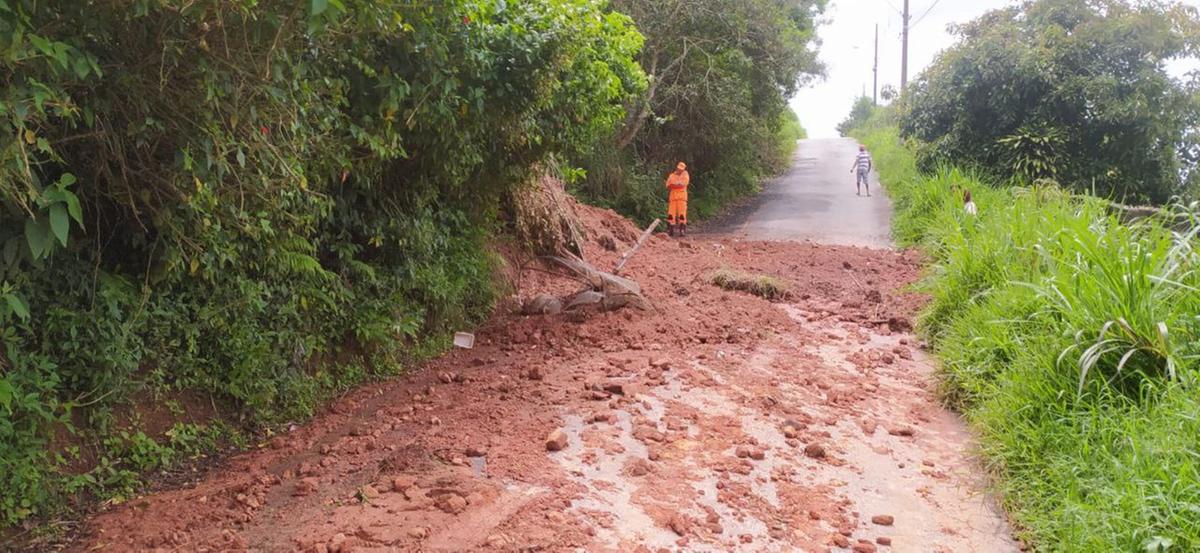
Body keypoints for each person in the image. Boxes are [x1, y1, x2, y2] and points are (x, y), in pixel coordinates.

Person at [665, 161, 690, 237]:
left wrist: (675, 185)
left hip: (682, 198)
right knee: (671, 214)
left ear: (684, 169)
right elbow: (668, 185)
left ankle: (682, 230)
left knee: (682, 214)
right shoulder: (672, 175)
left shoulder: (685, 175)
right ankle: (670, 230)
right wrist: (677, 184)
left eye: (681, 169)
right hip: (673, 198)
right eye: (679, 168)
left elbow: (683, 184)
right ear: (677, 167)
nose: (680, 170)